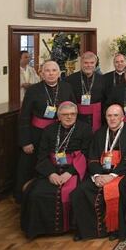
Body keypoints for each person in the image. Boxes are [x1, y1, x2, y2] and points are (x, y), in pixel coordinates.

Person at [21, 102, 92, 239]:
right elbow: (42, 155)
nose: (69, 117)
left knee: (76, 192)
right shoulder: (49, 130)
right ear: (58, 116)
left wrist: (70, 172)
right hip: (52, 169)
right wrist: (50, 173)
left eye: (73, 114)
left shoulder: (85, 129)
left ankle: (72, 227)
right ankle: (39, 229)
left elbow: (86, 154)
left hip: (75, 169)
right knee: (36, 193)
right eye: (65, 115)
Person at [72, 104, 126, 240]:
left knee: (118, 188)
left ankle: (114, 230)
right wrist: (97, 176)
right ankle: (86, 231)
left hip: (122, 173)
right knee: (80, 191)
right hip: (101, 172)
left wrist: (112, 175)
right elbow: (93, 158)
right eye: (109, 116)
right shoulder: (100, 133)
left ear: (123, 118)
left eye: (116, 115)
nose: (112, 119)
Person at [16, 60, 75, 202]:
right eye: (47, 71)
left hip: (60, 133)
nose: (51, 74)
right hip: (37, 134)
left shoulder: (66, 87)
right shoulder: (33, 90)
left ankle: (54, 193)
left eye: (54, 70)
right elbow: (24, 116)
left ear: (59, 73)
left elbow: (73, 110)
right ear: (41, 73)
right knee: (30, 164)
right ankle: (24, 196)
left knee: (55, 162)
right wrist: (26, 141)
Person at [66, 51, 106, 132]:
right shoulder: (70, 79)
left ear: (95, 64)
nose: (89, 65)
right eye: (86, 63)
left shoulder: (102, 79)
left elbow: (105, 100)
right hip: (77, 116)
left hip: (97, 117)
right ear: (81, 63)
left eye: (92, 63)